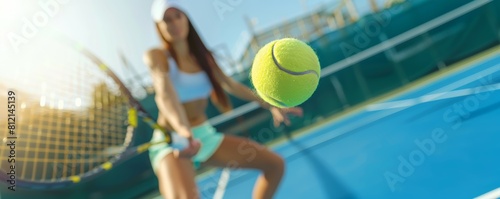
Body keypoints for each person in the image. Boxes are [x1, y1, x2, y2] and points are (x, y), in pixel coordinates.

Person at [144, 0, 303, 198]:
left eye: (178, 16)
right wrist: (184, 131)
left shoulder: (204, 58)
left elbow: (231, 85)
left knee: (275, 165)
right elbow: (165, 96)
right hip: (172, 141)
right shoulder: (156, 56)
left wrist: (271, 104)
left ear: (186, 19)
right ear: (158, 26)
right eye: (167, 19)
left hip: (204, 135)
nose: (174, 23)